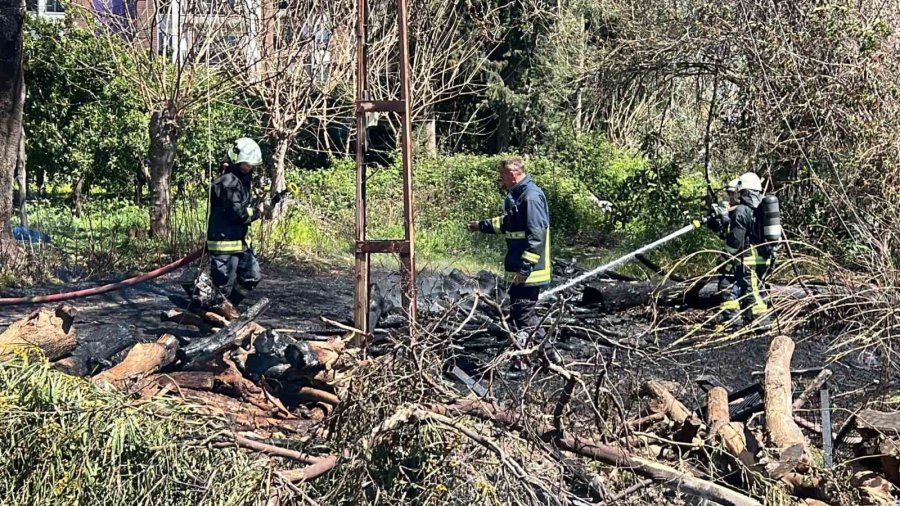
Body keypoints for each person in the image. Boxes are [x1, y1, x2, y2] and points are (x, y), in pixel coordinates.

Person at [467, 157, 559, 367]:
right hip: (519, 269)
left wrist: (525, 269)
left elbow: (537, 236)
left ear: (512, 174)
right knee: (518, 314)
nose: (501, 180)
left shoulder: (532, 197)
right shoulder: (518, 196)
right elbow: (507, 224)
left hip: (529, 272)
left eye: (502, 176)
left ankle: (552, 359)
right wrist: (480, 226)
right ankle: (523, 359)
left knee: (525, 315)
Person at [205, 137, 272, 318]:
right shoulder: (228, 182)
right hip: (224, 243)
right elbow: (237, 213)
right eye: (245, 163)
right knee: (222, 285)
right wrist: (257, 212)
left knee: (252, 275)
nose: (248, 167)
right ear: (236, 159)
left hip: (240, 243)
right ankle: (213, 315)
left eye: (250, 164)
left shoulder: (241, 180)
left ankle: (228, 308)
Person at [721, 172, 772, 331]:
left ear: (743, 190)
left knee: (753, 292)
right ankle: (738, 321)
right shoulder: (761, 208)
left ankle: (762, 323)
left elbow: (736, 240)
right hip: (764, 257)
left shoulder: (742, 210)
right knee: (743, 287)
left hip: (750, 259)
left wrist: (725, 255)